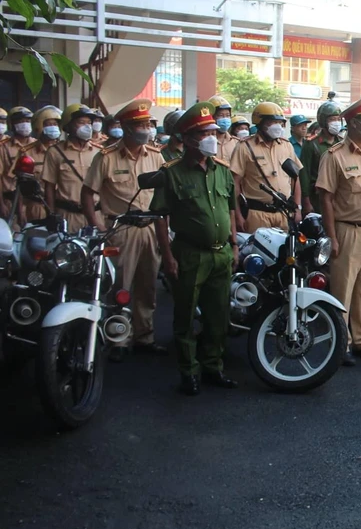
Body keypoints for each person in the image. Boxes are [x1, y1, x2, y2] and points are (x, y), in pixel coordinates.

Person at [152, 102, 239, 396]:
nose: (212, 138)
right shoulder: (171, 173)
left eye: (213, 131)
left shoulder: (223, 171)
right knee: (186, 316)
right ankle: (189, 372)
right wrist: (167, 256)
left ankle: (213, 366)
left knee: (219, 316)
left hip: (221, 253)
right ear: (188, 139)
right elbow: (161, 217)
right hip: (188, 253)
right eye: (205, 133)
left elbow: (229, 210)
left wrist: (234, 244)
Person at [83, 99, 166, 358]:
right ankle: (118, 337)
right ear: (128, 128)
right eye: (141, 125)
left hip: (150, 227)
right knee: (120, 287)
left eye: (147, 124)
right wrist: (98, 226)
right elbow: (87, 194)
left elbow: (164, 193)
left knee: (148, 285)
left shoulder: (155, 155)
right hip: (121, 229)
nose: (146, 129)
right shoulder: (105, 157)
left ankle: (145, 336)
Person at [315, 94, 361, 366]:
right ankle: (341, 343)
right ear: (354, 123)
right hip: (348, 230)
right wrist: (331, 237)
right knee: (343, 290)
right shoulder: (334, 156)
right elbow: (326, 198)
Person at [230, 102, 302, 233]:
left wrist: (298, 208)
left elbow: (295, 179)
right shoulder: (245, 147)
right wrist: (238, 215)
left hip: (283, 214)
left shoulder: (286, 146)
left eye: (280, 123)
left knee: (285, 252)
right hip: (257, 214)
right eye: (272, 122)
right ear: (260, 123)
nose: (277, 126)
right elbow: (235, 183)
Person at [40, 106, 103, 233]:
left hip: (96, 215)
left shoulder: (99, 152)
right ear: (68, 126)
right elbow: (49, 187)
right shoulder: (55, 152)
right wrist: (51, 215)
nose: (87, 127)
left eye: (89, 123)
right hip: (68, 216)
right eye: (81, 122)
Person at [22, 105, 64, 225]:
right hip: (38, 207)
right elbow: (19, 186)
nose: (53, 128)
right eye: (49, 124)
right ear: (39, 126)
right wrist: (20, 210)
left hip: (62, 209)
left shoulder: (64, 151)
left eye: (55, 124)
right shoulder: (27, 152)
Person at [301, 101, 342, 215]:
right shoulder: (312, 144)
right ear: (323, 121)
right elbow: (304, 174)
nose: (336, 123)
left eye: (338, 119)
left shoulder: (342, 143)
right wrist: (306, 201)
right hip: (318, 198)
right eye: (332, 119)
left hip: (339, 198)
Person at [0, 106, 34, 221]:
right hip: (10, 202)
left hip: (34, 203)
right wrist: (1, 204)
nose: (25, 124)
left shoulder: (37, 145)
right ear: (12, 124)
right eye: (20, 121)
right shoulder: (3, 146)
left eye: (27, 121)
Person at [208, 95, 240, 162]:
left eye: (227, 115)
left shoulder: (236, 142)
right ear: (212, 117)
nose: (225, 118)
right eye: (220, 115)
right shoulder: (206, 142)